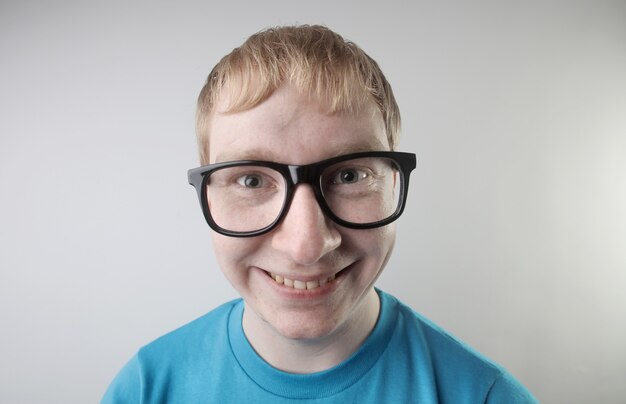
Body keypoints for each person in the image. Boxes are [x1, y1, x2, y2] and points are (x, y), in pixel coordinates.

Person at [102, 25, 537, 403]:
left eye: (349, 175)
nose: (307, 244)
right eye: (252, 181)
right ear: (208, 194)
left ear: (392, 183)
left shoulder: (483, 395)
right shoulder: (146, 388)